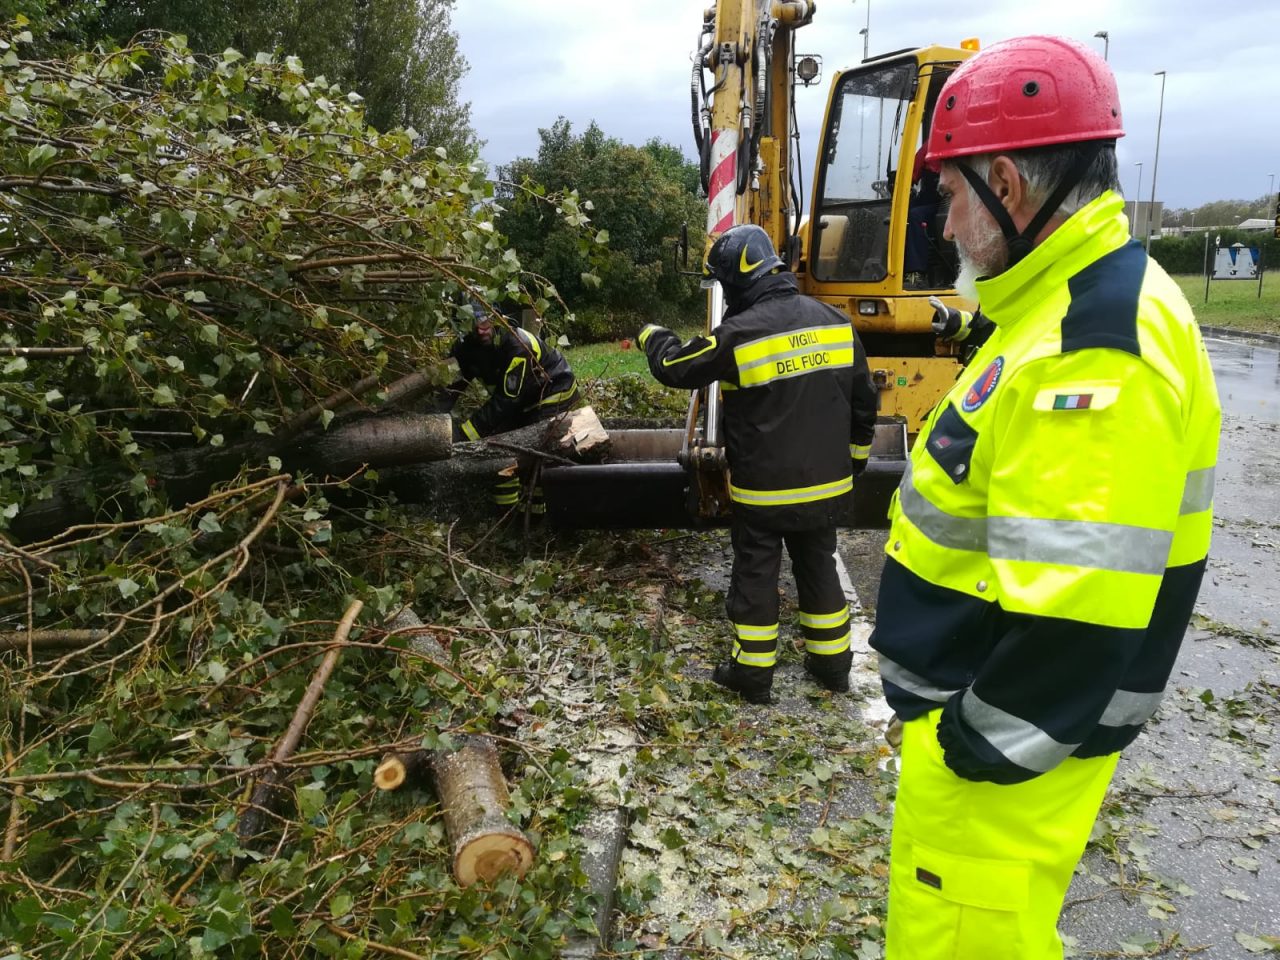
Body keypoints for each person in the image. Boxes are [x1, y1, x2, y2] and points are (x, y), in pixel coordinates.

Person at [869, 36, 1221, 959]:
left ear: (1006, 186)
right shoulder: (1052, 307)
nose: (945, 226)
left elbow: (1080, 610)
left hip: (1000, 759)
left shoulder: (1091, 346)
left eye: (948, 197)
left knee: (966, 938)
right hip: (995, 741)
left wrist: (968, 745)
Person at [639, 224, 879, 705]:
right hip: (826, 489)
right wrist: (852, 469)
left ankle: (752, 673)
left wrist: (653, 336)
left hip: (764, 493)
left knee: (755, 573)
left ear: (737, 278)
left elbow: (677, 367)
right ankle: (833, 666)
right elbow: (864, 406)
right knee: (819, 567)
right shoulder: (834, 322)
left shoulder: (738, 334)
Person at [441, 300, 579, 510]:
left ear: (497, 318)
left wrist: (466, 432)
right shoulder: (464, 347)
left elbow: (507, 400)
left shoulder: (516, 345)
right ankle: (505, 515)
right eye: (473, 323)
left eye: (486, 320)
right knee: (498, 448)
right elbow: (452, 387)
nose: (481, 328)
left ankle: (536, 515)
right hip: (518, 399)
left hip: (552, 391)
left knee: (534, 453)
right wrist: (436, 420)